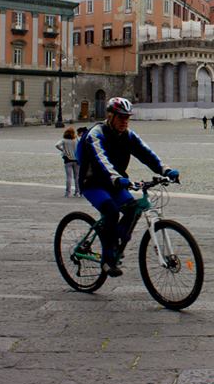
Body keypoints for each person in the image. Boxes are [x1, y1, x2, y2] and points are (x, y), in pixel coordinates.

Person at [77, 97, 180, 276]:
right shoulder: (96, 134)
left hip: (115, 183)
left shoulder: (129, 136)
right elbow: (102, 161)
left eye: (127, 117)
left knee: (133, 210)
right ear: (110, 116)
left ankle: (116, 240)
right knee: (111, 211)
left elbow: (146, 154)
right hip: (93, 183)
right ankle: (107, 259)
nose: (125, 121)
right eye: (121, 117)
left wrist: (165, 169)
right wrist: (117, 178)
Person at [55, 127, 81, 197]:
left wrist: (63, 150)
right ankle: (77, 192)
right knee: (77, 177)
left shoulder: (64, 140)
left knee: (69, 177)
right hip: (76, 160)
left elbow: (57, 145)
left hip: (68, 160)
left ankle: (68, 192)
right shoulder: (77, 139)